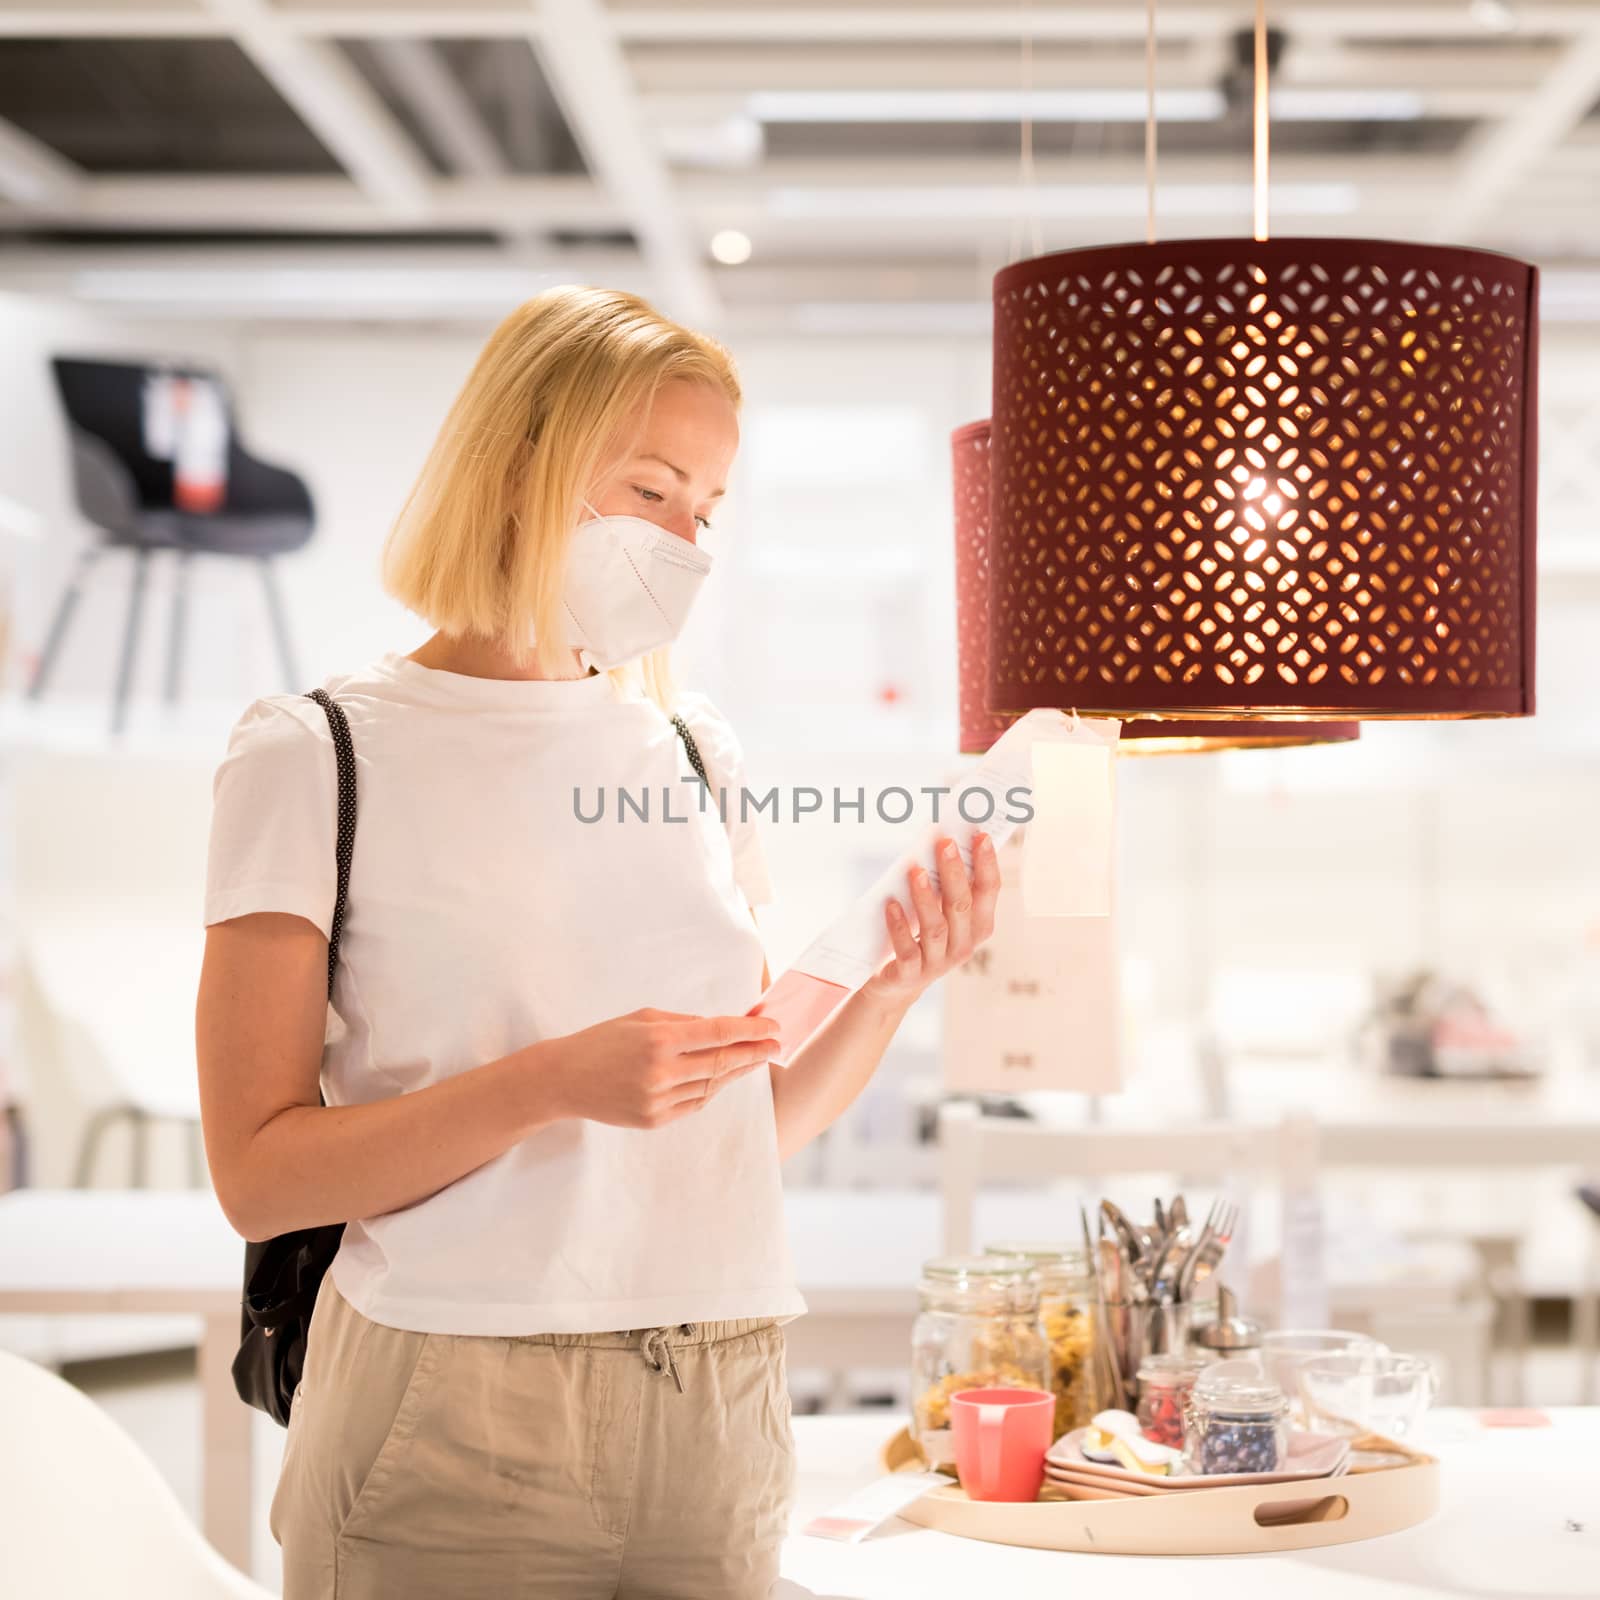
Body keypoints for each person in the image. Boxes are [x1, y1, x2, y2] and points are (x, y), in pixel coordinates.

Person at [195, 285, 1001, 1599]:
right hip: (450, 1412)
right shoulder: (315, 754)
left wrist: (889, 990)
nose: (687, 542)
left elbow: (748, 1120)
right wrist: (550, 1082)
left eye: (708, 510)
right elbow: (259, 1175)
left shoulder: (691, 751)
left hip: (719, 1401)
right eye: (652, 490)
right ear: (521, 464)